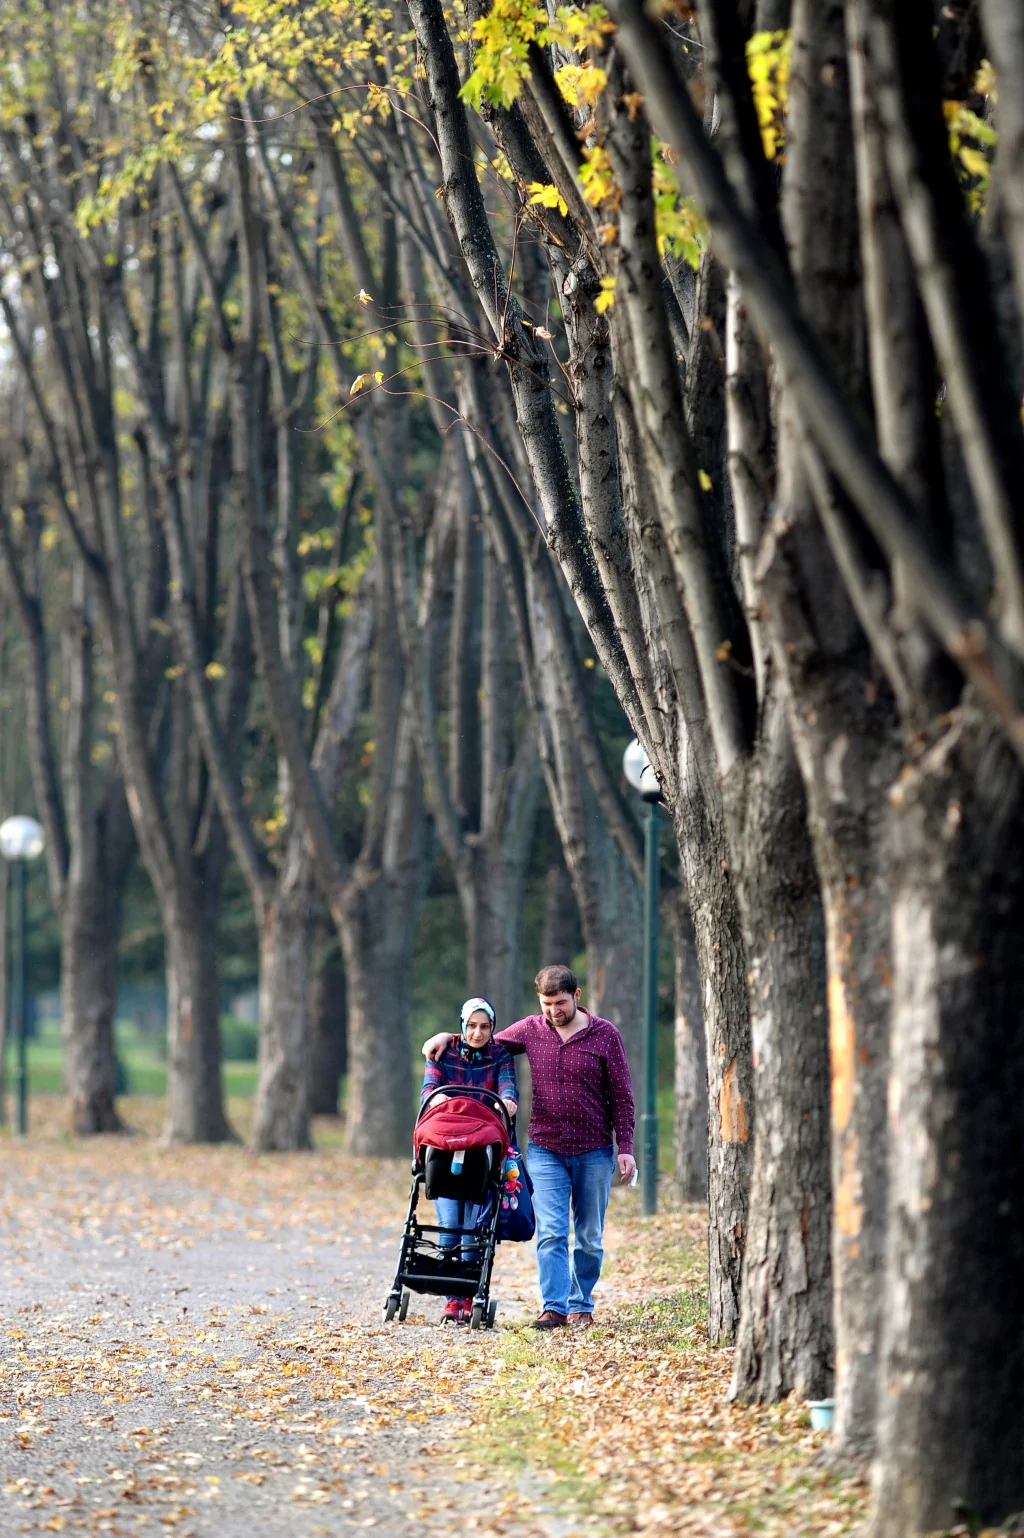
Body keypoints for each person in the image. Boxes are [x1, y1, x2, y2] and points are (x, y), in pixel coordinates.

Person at [423, 965, 636, 1331]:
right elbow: (481, 1041)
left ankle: (580, 1302)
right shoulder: (532, 1029)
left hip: (594, 1149)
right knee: (552, 1231)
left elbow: (622, 1095)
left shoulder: (605, 1036)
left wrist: (626, 1146)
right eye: (546, 1003)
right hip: (545, 1148)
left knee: (588, 1236)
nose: (553, 1011)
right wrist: (448, 1036)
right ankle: (554, 1307)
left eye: (560, 1003)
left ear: (577, 997)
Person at [420, 996, 519, 1324]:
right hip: (446, 1144)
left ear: (493, 1028)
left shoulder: (500, 1055)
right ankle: (452, 1297)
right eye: (472, 1026)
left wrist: (506, 1101)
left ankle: (471, 1293)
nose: (478, 1032)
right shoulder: (443, 1052)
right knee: (450, 1223)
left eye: (485, 1026)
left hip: (483, 1147)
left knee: (474, 1227)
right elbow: (429, 1089)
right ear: (462, 1026)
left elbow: (508, 1090)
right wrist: (441, 1097)